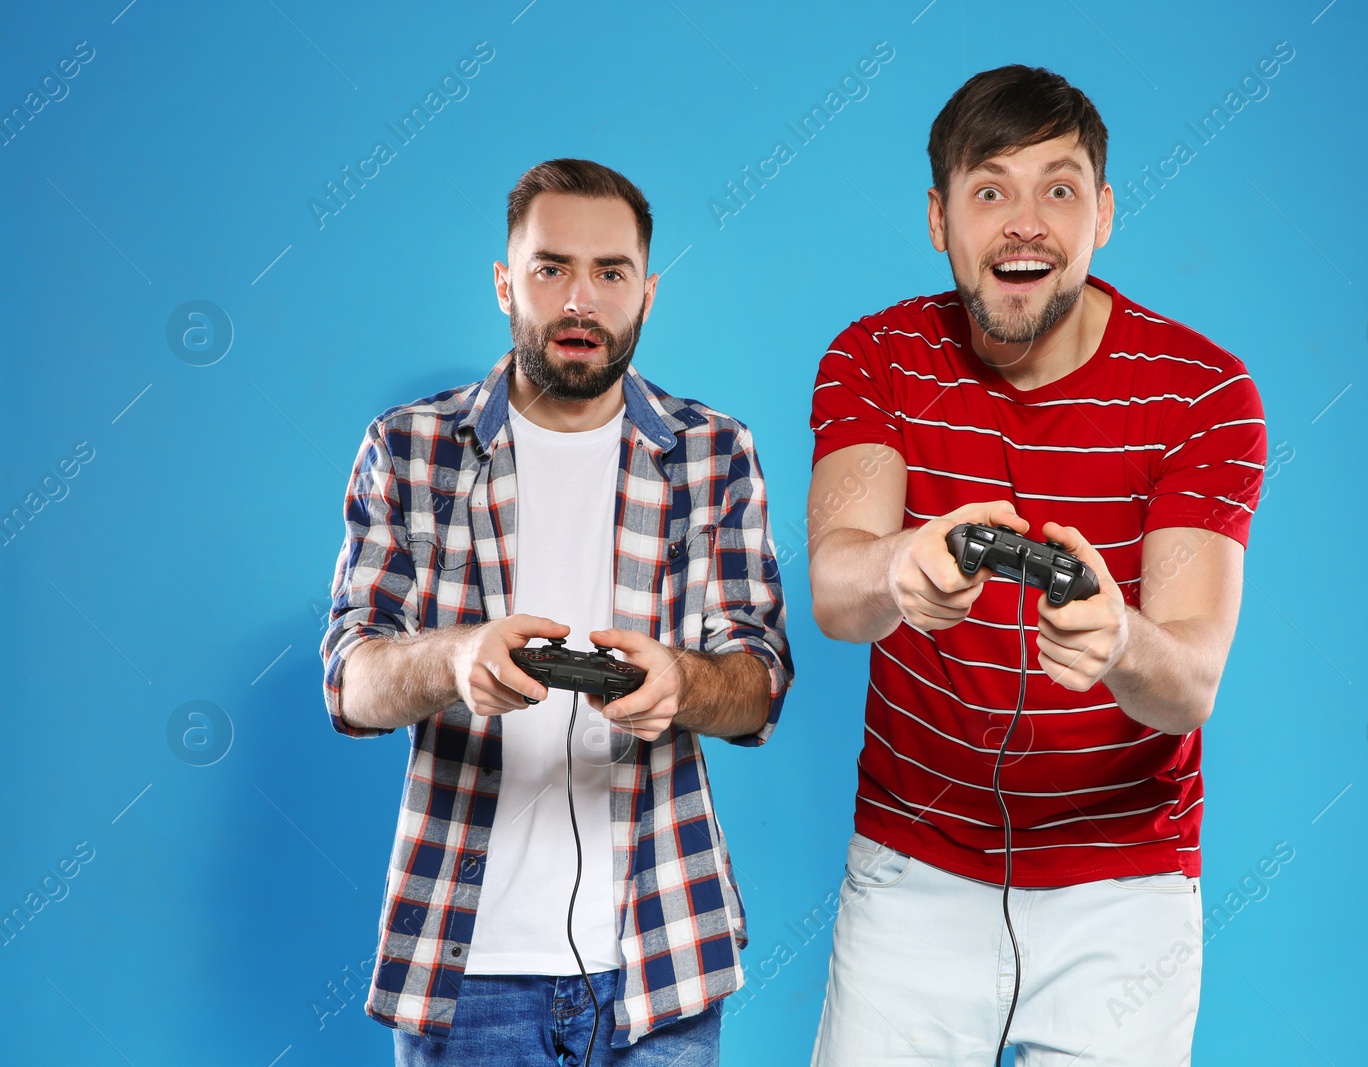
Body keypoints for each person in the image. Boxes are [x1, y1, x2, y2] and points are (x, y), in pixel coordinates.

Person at [806, 66, 1267, 1065]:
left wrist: (1119, 639)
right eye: (988, 189)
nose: (1023, 223)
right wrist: (901, 567)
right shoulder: (875, 356)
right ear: (938, 218)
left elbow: (1188, 681)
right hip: (910, 869)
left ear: (1103, 211)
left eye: (1057, 189)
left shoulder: (1203, 393)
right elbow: (837, 588)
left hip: (1124, 889)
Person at [319, 158, 794, 1067]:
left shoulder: (713, 453)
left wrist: (680, 683)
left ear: (646, 292)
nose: (581, 299)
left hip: (663, 961)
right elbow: (350, 681)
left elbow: (758, 685)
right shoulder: (411, 448)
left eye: (610, 273)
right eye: (551, 268)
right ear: (506, 282)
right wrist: (456, 661)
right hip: (467, 973)